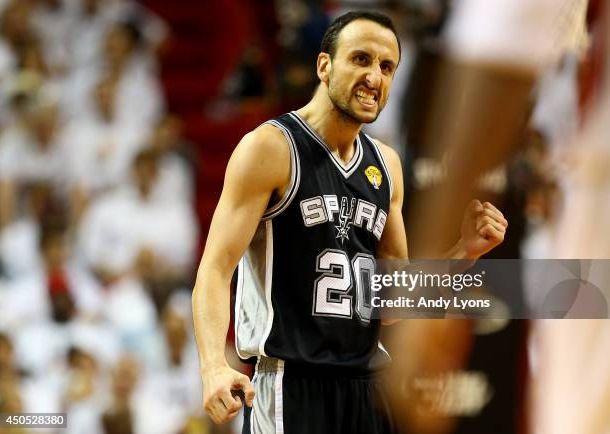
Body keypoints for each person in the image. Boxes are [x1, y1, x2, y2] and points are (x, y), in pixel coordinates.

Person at [191, 11, 508, 434]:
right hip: (291, 384)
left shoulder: (386, 165)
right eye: (360, 59)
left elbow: (392, 302)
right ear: (324, 66)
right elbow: (214, 269)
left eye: (386, 67)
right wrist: (213, 365)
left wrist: (465, 252)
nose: (374, 77)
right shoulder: (271, 148)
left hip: (366, 389)